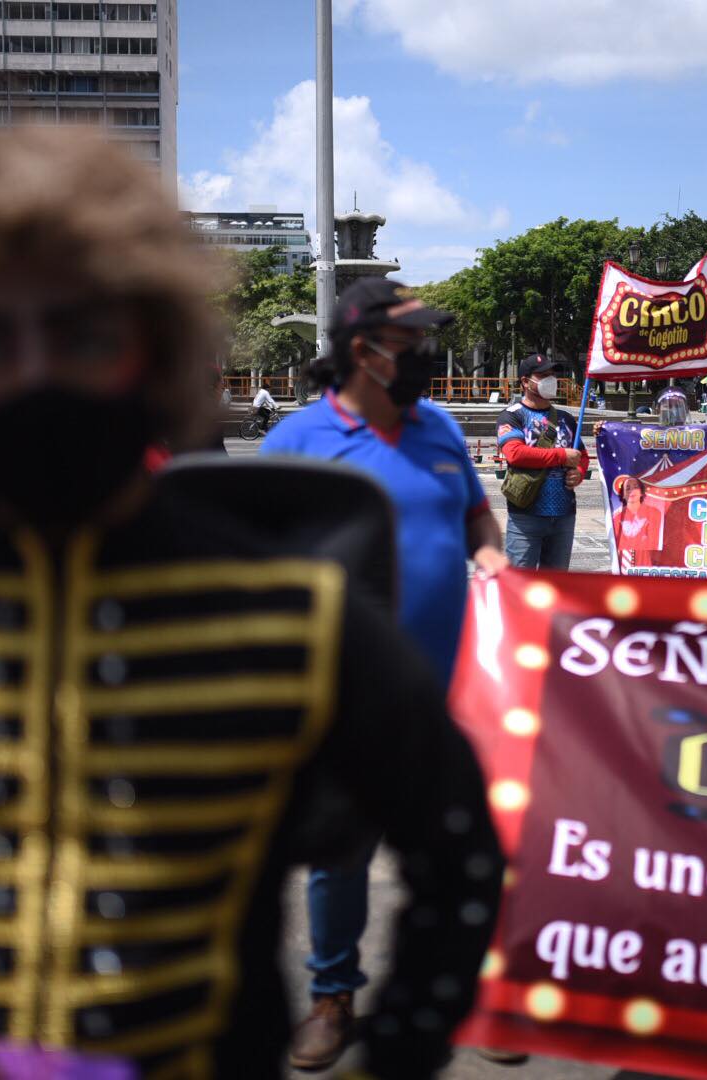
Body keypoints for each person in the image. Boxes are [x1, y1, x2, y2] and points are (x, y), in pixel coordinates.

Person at [0, 125, 501, 1080]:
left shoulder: (294, 623)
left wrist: (394, 1054)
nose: (37, 377)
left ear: (156, 357)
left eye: (83, 336)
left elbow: (460, 858)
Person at [260, 275, 508, 1071]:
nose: (427, 356)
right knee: (341, 857)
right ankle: (333, 997)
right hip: (346, 701)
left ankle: (476, 999)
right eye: (413, 342)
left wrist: (493, 554)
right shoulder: (295, 444)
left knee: (468, 851)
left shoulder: (438, 429)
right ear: (365, 352)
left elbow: (475, 512)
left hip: (457, 691)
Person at [496, 353, 587, 571]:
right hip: (526, 515)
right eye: (543, 375)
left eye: (553, 375)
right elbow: (516, 453)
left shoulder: (565, 418)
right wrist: (561, 456)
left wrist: (580, 473)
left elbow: (581, 454)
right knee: (519, 582)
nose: (551, 380)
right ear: (525, 382)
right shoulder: (512, 416)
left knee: (556, 586)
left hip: (564, 514)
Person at [612, 474, 664, 569]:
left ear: (641, 492)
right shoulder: (617, 517)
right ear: (623, 495)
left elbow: (652, 540)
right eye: (628, 488)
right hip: (624, 562)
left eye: (635, 487)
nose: (632, 490)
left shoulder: (654, 513)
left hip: (647, 561)